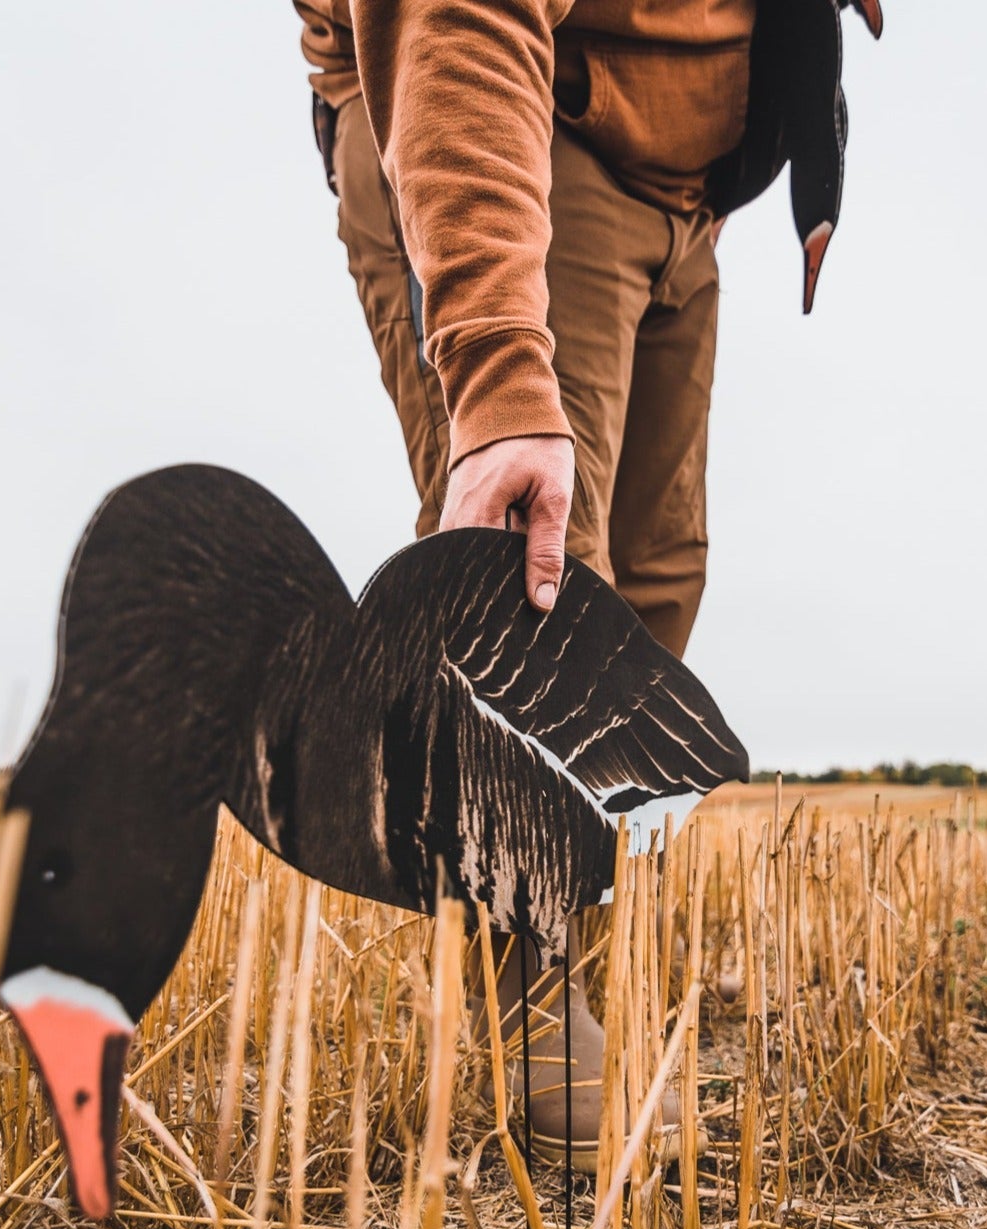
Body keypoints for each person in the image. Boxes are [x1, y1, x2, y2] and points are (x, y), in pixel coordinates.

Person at [296, 0, 880, 1165]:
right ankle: (534, 1021)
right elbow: (459, 19)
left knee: (657, 592)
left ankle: (566, 947)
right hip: (508, 134)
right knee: (543, 592)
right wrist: (501, 368)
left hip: (675, 199)